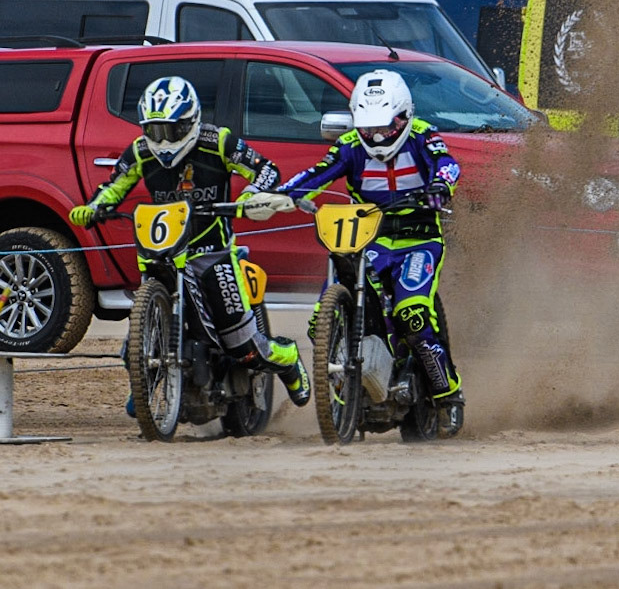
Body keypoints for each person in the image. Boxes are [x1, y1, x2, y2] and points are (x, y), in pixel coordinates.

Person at [70, 76, 309, 413]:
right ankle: (145, 376)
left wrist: (252, 196)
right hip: (162, 252)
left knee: (244, 347)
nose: (163, 140)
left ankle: (287, 359)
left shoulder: (218, 142)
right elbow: (114, 185)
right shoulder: (140, 151)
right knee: (134, 339)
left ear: (191, 121)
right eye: (154, 131)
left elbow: (266, 169)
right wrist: (94, 208)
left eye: (171, 130)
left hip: (213, 252)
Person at [275, 69, 464, 438]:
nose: (377, 137)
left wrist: (440, 186)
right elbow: (317, 173)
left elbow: (448, 165)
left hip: (417, 239)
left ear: (405, 116)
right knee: (319, 323)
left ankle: (448, 395)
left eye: (386, 127)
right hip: (368, 238)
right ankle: (351, 387)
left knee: (412, 314)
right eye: (368, 128)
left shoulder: (424, 136)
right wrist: (285, 193)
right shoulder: (348, 145)